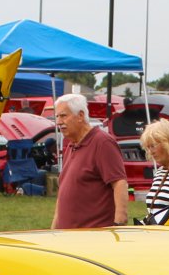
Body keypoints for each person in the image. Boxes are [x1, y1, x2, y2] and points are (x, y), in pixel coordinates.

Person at [51, 93, 128, 229]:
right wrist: (54, 229)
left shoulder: (102, 142)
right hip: (66, 235)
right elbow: (62, 194)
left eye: (63, 116)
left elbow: (119, 183)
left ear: (80, 115)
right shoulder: (71, 145)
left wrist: (118, 223)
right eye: (57, 116)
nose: (58, 122)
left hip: (93, 235)